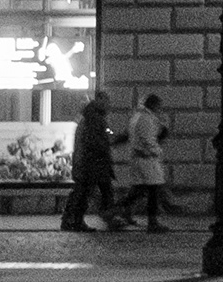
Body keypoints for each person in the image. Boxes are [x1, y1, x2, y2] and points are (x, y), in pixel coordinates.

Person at [61, 92, 115, 232]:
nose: (109, 105)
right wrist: (107, 145)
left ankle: (72, 220)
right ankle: (75, 221)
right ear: (100, 101)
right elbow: (95, 142)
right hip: (92, 163)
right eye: (107, 101)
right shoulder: (94, 118)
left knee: (87, 192)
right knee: (84, 193)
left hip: (90, 162)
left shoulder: (90, 117)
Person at [122, 92, 173, 230]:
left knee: (139, 190)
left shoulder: (139, 116)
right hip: (146, 159)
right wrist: (157, 151)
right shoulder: (145, 118)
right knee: (152, 190)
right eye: (159, 106)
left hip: (141, 159)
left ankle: (123, 212)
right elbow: (148, 140)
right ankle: (152, 222)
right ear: (153, 105)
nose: (160, 109)